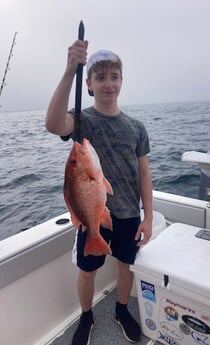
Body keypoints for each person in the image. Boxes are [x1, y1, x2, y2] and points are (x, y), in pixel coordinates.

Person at [46, 39, 153, 345]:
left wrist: (146, 216)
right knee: (87, 270)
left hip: (129, 213)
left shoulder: (137, 127)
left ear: (122, 81)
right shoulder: (82, 121)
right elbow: (54, 124)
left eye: (114, 76)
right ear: (89, 84)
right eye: (101, 77)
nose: (109, 83)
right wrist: (70, 71)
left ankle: (121, 309)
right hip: (92, 213)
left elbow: (144, 173)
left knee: (125, 264)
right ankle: (86, 315)